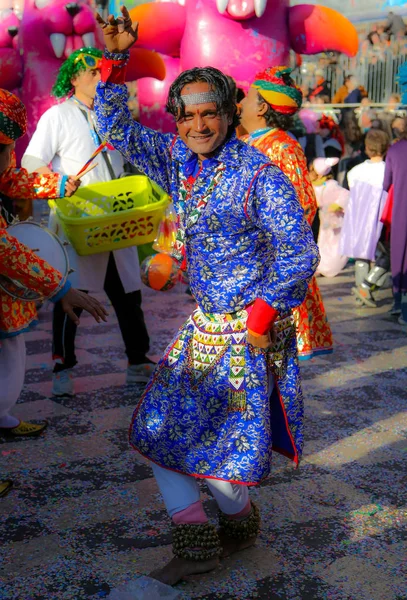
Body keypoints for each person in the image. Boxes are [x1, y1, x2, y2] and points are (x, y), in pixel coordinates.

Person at [94, 7, 319, 586]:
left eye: (209, 114)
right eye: (187, 115)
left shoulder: (258, 174)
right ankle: (203, 542)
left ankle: (237, 523)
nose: (198, 125)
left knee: (222, 468)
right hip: (203, 328)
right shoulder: (179, 161)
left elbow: (299, 251)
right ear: (178, 119)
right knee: (158, 433)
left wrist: (264, 314)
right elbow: (117, 130)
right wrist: (117, 63)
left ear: (227, 114)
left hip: (247, 330)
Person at [22, 47, 153, 397]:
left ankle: (138, 360)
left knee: (128, 292)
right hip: (80, 220)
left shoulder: (114, 116)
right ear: (74, 78)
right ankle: (62, 365)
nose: (99, 78)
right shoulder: (57, 116)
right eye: (92, 73)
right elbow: (31, 163)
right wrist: (60, 185)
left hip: (119, 215)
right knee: (72, 296)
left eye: (101, 72)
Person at [0, 90, 107, 496]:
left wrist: (61, 183)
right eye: (7, 149)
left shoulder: (2, 171)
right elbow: (5, 250)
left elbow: (17, 179)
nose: (11, 158)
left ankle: (4, 415)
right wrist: (61, 286)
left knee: (10, 353)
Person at [239, 66, 333, 360]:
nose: (240, 104)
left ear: (263, 107)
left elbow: (302, 205)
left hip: (269, 267)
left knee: (270, 357)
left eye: (248, 98)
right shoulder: (246, 142)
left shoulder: (284, 147)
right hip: (244, 263)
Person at [339, 129, 390, 307]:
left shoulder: (354, 171)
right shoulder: (387, 170)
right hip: (380, 220)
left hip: (358, 218)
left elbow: (350, 190)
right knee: (387, 255)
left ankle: (362, 291)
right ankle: (367, 285)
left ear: (367, 148)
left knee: (362, 255)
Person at [383, 116, 407, 324]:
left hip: (401, 209)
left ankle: (399, 302)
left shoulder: (395, 150)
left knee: (398, 255)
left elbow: (385, 183)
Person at [310, 157, 349, 278]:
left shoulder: (331, 185)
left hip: (334, 217)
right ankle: (323, 265)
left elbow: (345, 195)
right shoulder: (314, 186)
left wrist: (337, 205)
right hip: (325, 216)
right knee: (324, 240)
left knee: (334, 241)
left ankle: (331, 265)